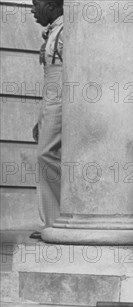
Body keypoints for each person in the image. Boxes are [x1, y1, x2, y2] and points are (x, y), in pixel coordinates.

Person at [30, 0, 64, 239]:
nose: (32, 10)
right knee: (45, 157)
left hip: (62, 99)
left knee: (45, 154)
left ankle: (63, 217)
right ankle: (52, 222)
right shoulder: (53, 30)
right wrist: (40, 117)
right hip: (51, 99)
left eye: (35, 4)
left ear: (52, 5)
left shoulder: (66, 30)